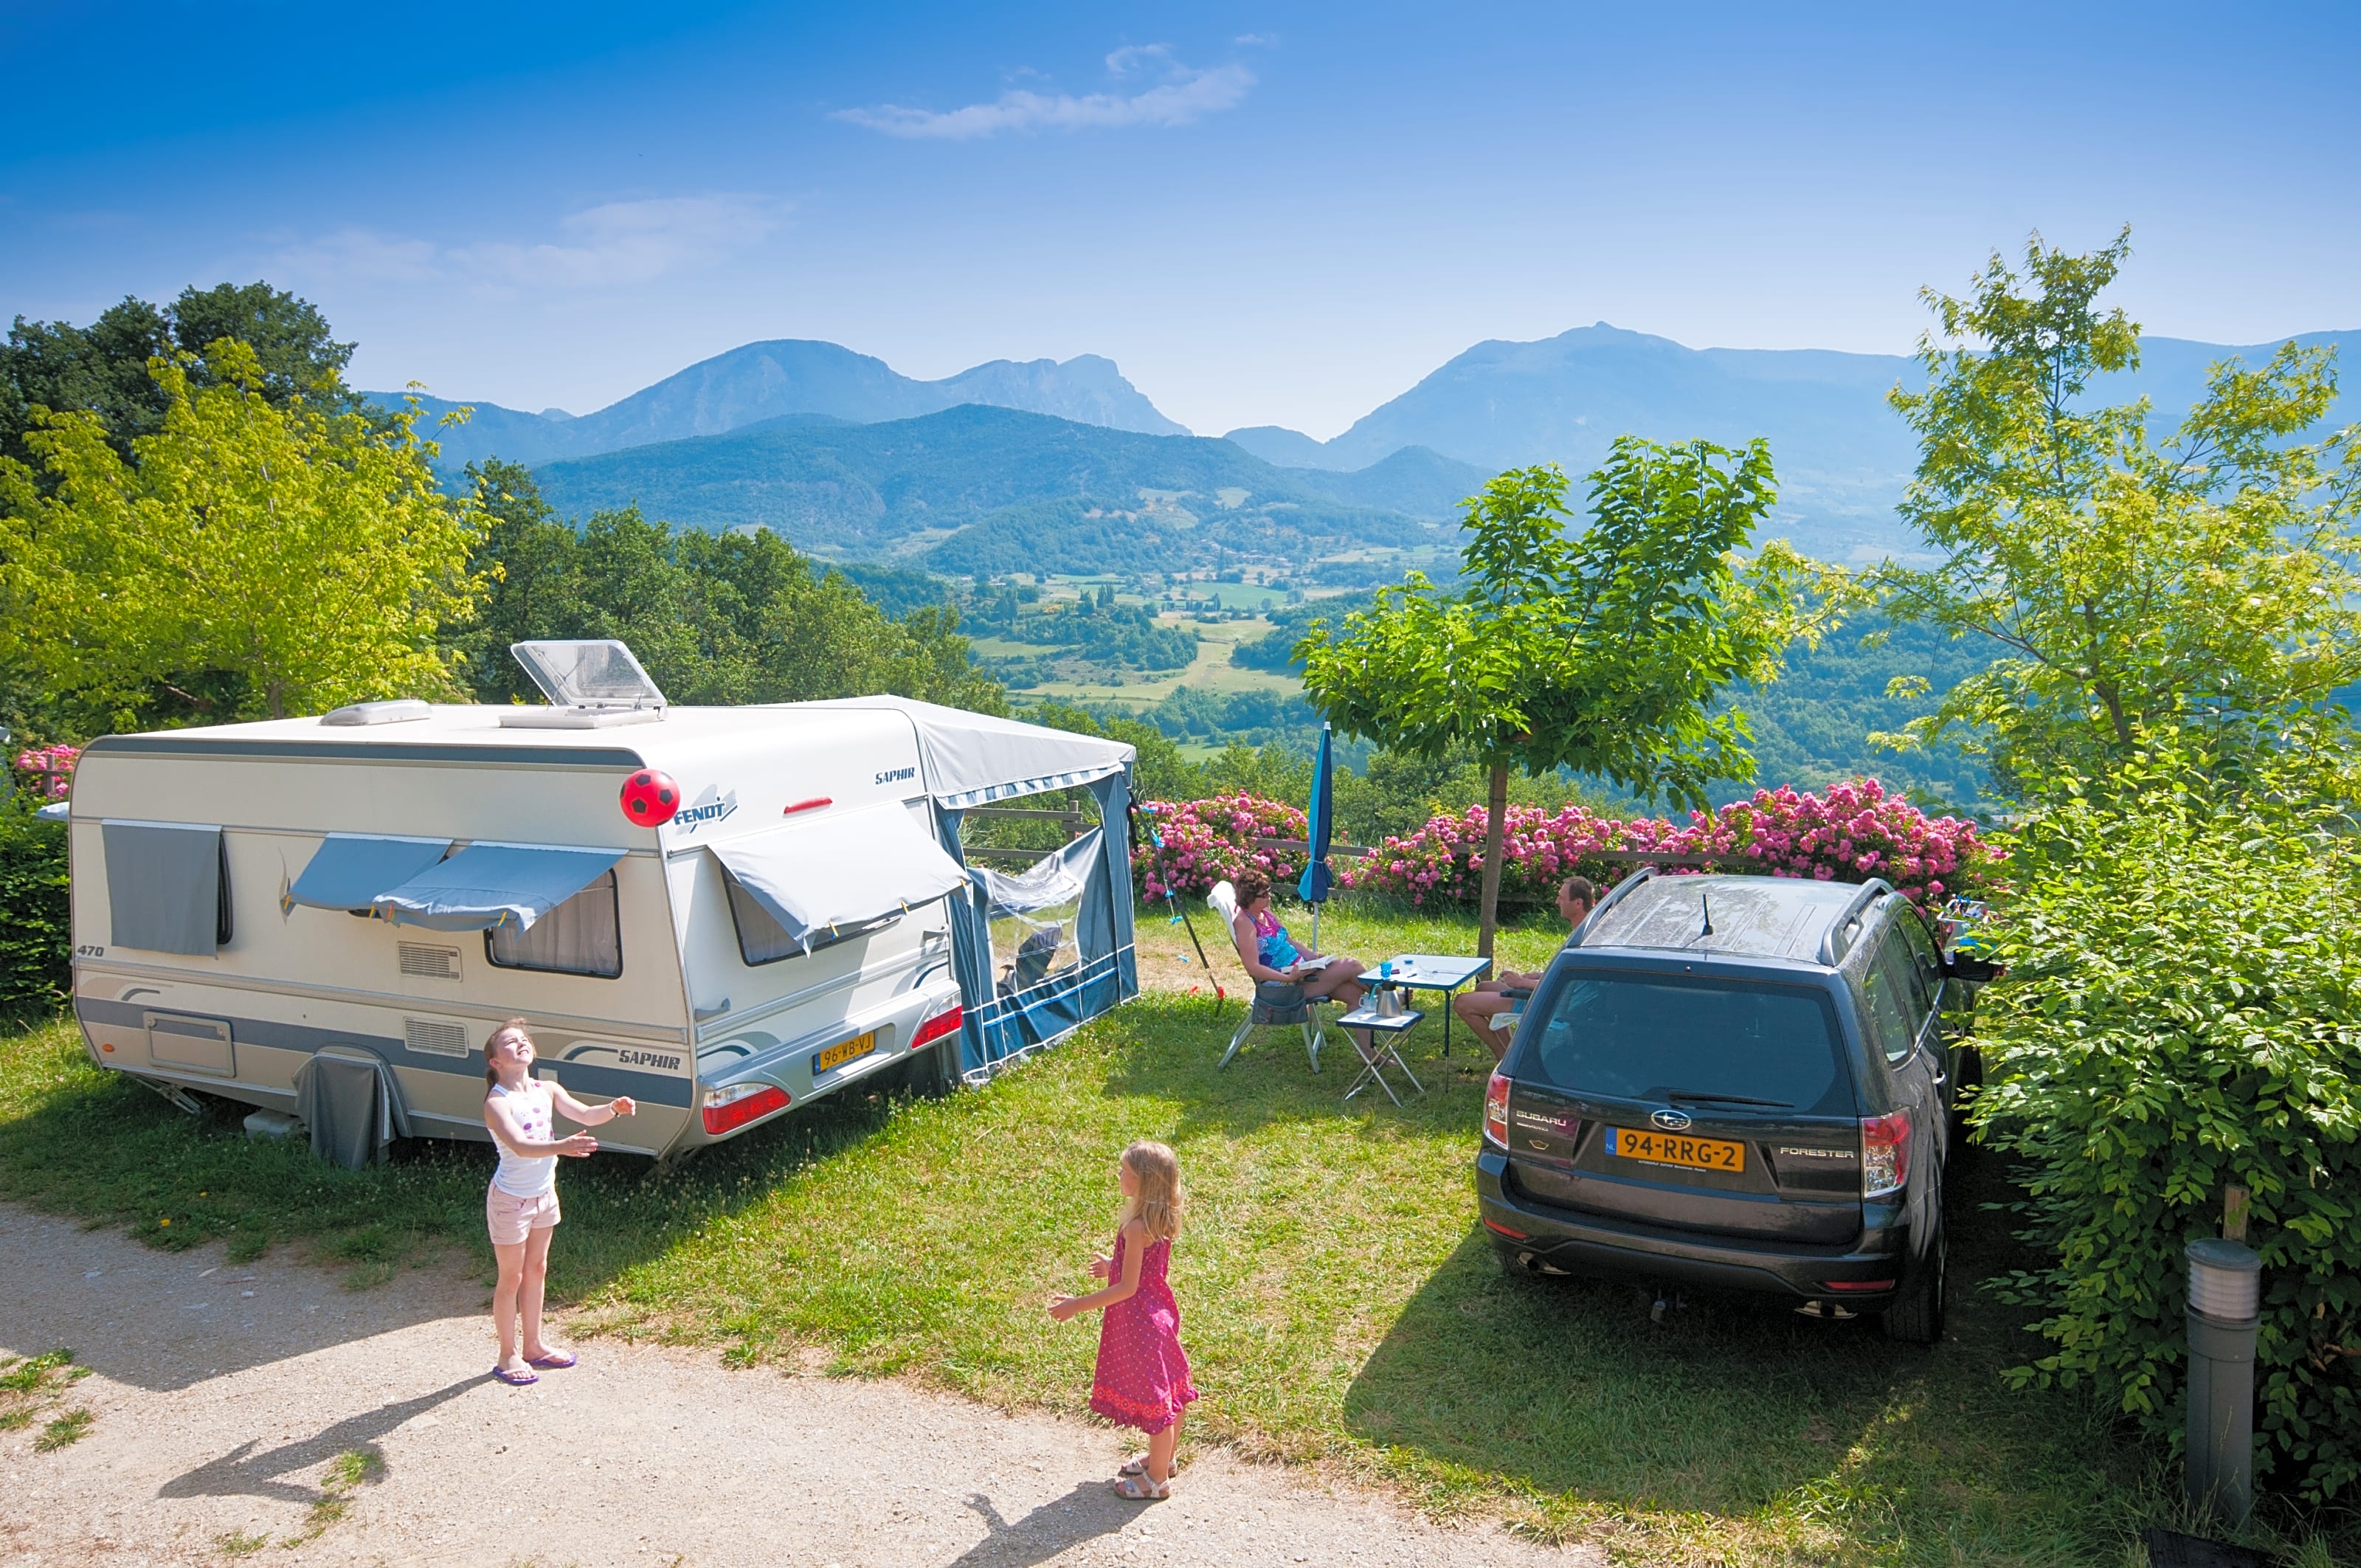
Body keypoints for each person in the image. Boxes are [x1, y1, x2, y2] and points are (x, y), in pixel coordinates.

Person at [481, 1018, 636, 1386]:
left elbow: (585, 1115)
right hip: (510, 1201)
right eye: (510, 1042)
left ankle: (533, 1346)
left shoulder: (546, 1088)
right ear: (495, 1062)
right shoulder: (497, 1102)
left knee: (537, 1271)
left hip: (543, 1195)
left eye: (523, 1039)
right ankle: (508, 1355)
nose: (520, 1044)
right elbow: (520, 1146)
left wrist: (613, 1108)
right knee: (512, 1277)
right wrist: (563, 1147)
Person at [1048, 1140, 1200, 1501]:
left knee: (1157, 1405)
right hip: (1159, 1315)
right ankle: (1165, 1459)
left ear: (1144, 1182)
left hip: (1141, 1324)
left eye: (1125, 1172)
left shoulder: (1136, 1227)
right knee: (1171, 1395)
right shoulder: (1161, 1217)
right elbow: (1143, 1273)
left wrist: (1076, 1305)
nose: (1119, 1175)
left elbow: (1128, 1288)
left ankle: (1156, 1481)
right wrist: (1110, 1267)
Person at [1451, 875, 1597, 1060]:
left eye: (1561, 897)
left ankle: (1502, 1056)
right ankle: (1512, 1053)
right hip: (1556, 995)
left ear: (1578, 903)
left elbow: (1563, 986)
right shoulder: (1588, 931)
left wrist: (1523, 982)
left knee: (1462, 1003)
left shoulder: (1583, 942)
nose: (1556, 901)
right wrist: (1538, 975)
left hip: (1550, 1003)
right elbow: (1569, 975)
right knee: (1483, 987)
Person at [1225, 867, 1372, 1049]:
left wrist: (1313, 957)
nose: (1269, 896)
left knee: (1354, 995)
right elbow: (1253, 968)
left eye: (1269, 891)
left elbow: (1290, 941)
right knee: (1351, 965)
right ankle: (1387, 997)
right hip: (1285, 986)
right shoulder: (1244, 922)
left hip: (1300, 973)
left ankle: (1370, 1056)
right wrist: (1288, 977)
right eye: (1264, 894)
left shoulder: (1266, 913)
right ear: (1249, 899)